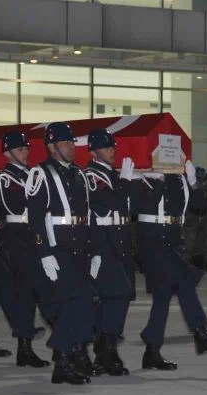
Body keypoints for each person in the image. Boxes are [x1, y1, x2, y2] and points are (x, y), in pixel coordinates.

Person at [136, 160, 207, 371]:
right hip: (153, 239)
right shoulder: (146, 176)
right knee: (185, 282)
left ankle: (152, 350)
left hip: (174, 240)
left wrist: (194, 182)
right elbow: (138, 206)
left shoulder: (180, 179)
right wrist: (154, 180)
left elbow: (201, 206)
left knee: (163, 297)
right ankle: (201, 334)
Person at [26, 122, 96, 385]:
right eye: (66, 142)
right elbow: (35, 218)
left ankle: (70, 354)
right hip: (58, 249)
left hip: (80, 248)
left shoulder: (79, 173)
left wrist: (94, 251)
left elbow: (87, 215)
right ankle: (64, 361)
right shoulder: (40, 173)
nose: (71, 147)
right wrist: (44, 252)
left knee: (83, 303)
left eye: (72, 142)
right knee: (73, 303)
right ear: (51, 146)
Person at [85, 128, 139, 376]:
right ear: (94, 151)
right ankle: (105, 350)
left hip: (121, 241)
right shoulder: (90, 176)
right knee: (113, 296)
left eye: (112, 147)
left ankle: (106, 349)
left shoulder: (114, 176)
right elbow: (112, 202)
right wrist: (126, 181)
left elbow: (132, 206)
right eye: (106, 147)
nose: (112, 151)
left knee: (122, 296)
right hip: (104, 242)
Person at [0, 131, 52, 368]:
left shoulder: (33, 174)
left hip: (35, 234)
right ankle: (25, 348)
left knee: (38, 292)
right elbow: (13, 205)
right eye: (20, 149)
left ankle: (28, 346)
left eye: (27, 148)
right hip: (18, 237)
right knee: (26, 294)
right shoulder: (5, 178)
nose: (26, 152)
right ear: (7, 153)